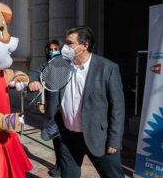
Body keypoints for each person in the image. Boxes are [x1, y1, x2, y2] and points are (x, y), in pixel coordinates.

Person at [28, 26, 125, 178]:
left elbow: (117, 108)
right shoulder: (59, 64)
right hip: (67, 136)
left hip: (99, 137)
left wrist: (114, 140)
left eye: (69, 43)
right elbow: (35, 72)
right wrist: (33, 81)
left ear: (84, 46)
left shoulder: (107, 68)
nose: (65, 47)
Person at [29, 39, 63, 178]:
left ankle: (64, 168)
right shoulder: (47, 65)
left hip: (70, 111)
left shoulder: (70, 64)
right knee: (57, 139)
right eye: (50, 49)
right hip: (54, 111)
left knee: (66, 143)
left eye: (56, 49)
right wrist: (33, 81)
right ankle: (59, 166)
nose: (53, 51)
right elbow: (35, 72)